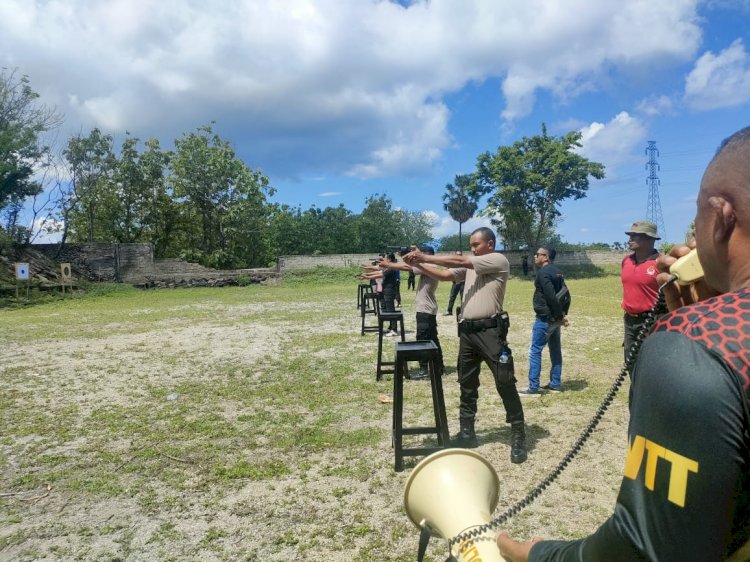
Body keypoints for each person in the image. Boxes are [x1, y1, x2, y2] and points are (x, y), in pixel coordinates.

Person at [496, 126, 750, 560]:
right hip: (639, 324)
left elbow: (643, 546)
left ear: (721, 216)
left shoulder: (699, 344)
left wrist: (536, 553)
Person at [404, 227, 527, 464]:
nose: (473, 249)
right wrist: (418, 264)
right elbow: (445, 275)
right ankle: (467, 433)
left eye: (477, 244)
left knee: (504, 381)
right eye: (471, 245)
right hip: (468, 333)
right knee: (466, 383)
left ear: (490, 244)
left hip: (491, 332)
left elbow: (462, 260)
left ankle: (518, 434)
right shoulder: (471, 265)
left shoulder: (497, 260)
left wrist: (423, 256)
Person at [379, 245, 445, 380]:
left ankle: (424, 369)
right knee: (432, 339)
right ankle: (438, 367)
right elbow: (410, 264)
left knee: (423, 339)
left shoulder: (430, 267)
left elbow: (407, 267)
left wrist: (389, 264)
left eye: (420, 255)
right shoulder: (427, 267)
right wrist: (404, 254)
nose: (417, 257)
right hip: (427, 309)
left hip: (425, 310)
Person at [519, 246, 569, 396]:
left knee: (535, 351)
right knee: (555, 351)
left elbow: (551, 296)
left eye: (538, 254)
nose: (535, 256)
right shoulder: (558, 271)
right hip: (555, 319)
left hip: (545, 318)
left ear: (546, 257)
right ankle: (555, 383)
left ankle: (533, 387)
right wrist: (562, 315)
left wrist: (560, 316)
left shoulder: (543, 273)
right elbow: (566, 294)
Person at [620, 219, 661, 364]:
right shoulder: (626, 261)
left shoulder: (661, 263)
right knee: (630, 362)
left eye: (634, 235)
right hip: (630, 321)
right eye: (630, 235)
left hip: (651, 321)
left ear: (649, 238)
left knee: (650, 363)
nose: (629, 239)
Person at [360, 253, 400, 336]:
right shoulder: (387, 267)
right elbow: (377, 270)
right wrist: (367, 271)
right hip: (385, 289)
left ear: (389, 259)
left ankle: (394, 329)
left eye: (384, 259)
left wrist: (367, 276)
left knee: (391, 310)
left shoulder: (391, 267)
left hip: (389, 290)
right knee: (386, 309)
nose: (382, 260)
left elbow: (380, 274)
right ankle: (390, 327)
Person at [444, 250, 465, 316]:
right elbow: (448, 270)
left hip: (463, 283)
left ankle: (463, 312)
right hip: (455, 283)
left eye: (459, 255)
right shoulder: (453, 263)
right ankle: (449, 311)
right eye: (457, 255)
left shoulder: (464, 263)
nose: (458, 256)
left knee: (463, 298)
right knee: (452, 297)